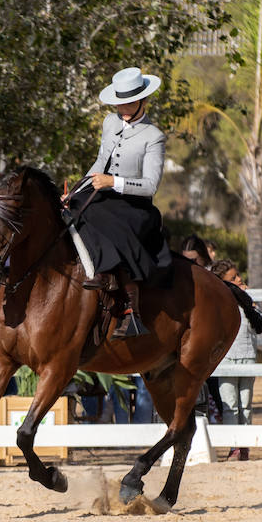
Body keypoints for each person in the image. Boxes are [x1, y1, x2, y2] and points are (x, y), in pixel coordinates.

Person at [67, 66, 173, 339]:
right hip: (102, 191)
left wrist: (113, 182)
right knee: (72, 206)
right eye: (119, 103)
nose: (122, 108)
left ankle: (130, 308)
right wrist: (77, 188)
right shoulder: (110, 123)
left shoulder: (154, 137)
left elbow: (151, 184)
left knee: (101, 214)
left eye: (128, 103)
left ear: (143, 101)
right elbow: (100, 163)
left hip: (135, 205)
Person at [212, 259, 256, 459]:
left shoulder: (248, 296)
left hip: (248, 355)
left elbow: (259, 321)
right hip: (226, 358)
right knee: (230, 404)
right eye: (233, 278)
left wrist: (248, 299)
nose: (239, 279)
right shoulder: (217, 300)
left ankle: (245, 445)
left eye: (238, 275)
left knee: (246, 404)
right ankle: (233, 446)